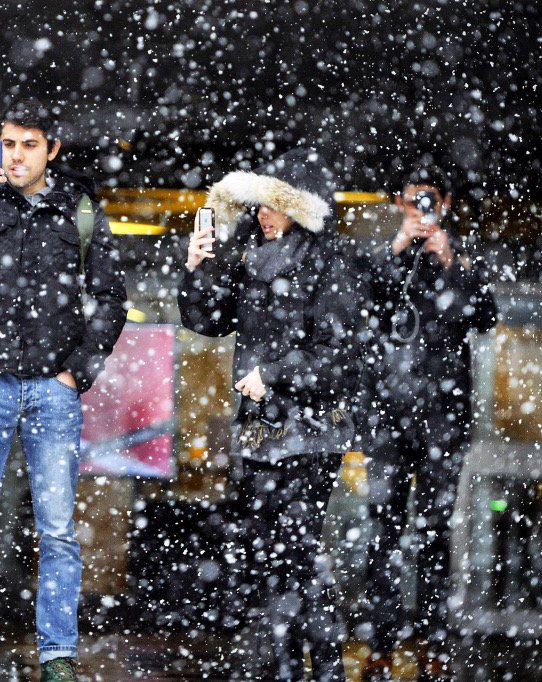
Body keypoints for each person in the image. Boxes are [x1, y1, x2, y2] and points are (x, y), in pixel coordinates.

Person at [0, 99, 127, 682]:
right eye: (8, 144)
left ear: (51, 150)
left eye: (29, 145)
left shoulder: (80, 210)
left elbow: (112, 298)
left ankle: (57, 655)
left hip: (51, 389)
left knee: (58, 531)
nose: (15, 156)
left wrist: (77, 371)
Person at [177, 148, 367, 681]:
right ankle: (290, 667)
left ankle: (322, 668)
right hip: (262, 432)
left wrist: (275, 374)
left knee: (296, 554)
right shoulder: (252, 257)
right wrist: (196, 268)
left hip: (311, 431)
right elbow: (207, 321)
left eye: (276, 205)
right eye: (261, 204)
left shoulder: (331, 263)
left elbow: (339, 356)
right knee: (272, 556)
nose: (264, 214)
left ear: (302, 209)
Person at [359, 166, 497, 682]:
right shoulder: (385, 258)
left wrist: (451, 262)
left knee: (436, 534)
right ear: (399, 203)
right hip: (389, 420)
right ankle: (380, 643)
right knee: (383, 534)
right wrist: (399, 246)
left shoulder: (460, 258)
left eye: (429, 199)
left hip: (443, 420)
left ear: (446, 203)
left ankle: (432, 642)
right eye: (413, 199)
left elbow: (485, 317)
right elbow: (361, 303)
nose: (421, 208)